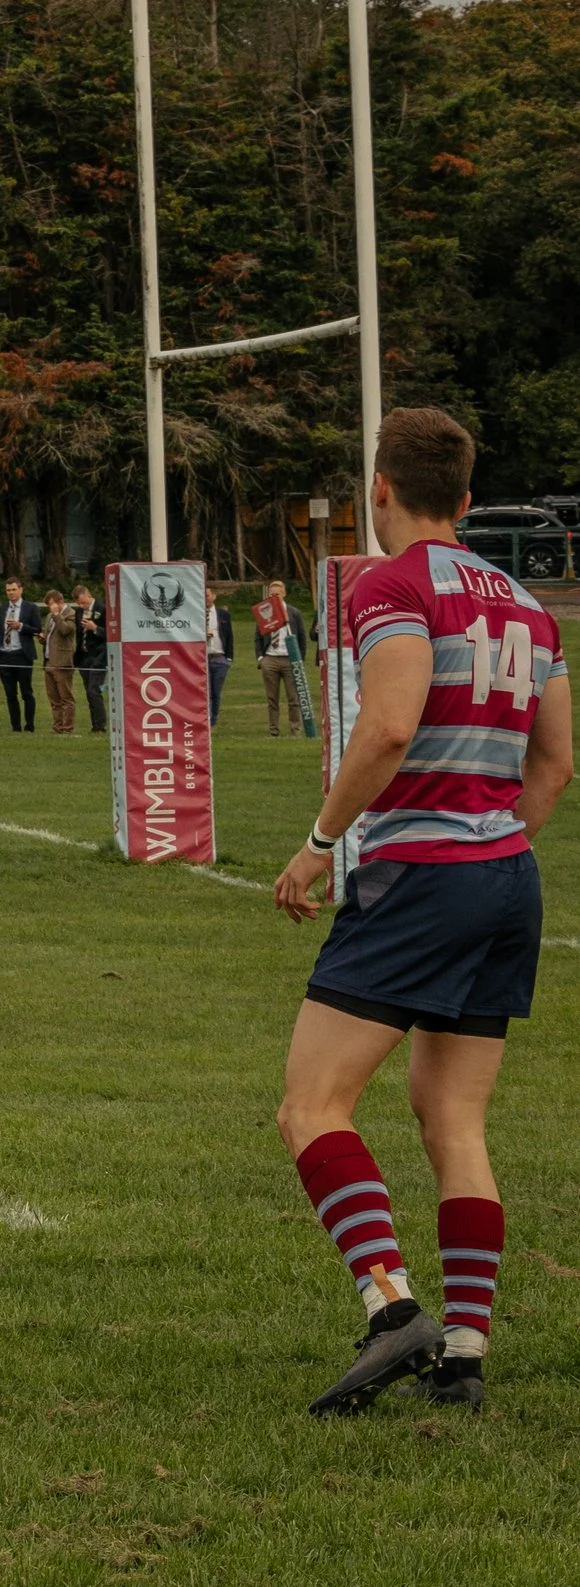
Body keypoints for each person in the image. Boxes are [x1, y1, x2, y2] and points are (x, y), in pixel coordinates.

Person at [269, 406, 571, 1416]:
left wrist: (318, 846)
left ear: (381, 490)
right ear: (470, 501)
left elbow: (390, 723)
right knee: (453, 1115)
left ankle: (393, 1306)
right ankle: (465, 1358)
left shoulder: (390, 584)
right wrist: (492, 836)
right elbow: (556, 760)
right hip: (505, 878)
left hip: (420, 876)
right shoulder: (528, 604)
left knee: (311, 1103)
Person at [0, 577, 41, 731]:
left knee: (26, 692)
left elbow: (37, 629)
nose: (11, 593)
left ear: (21, 589)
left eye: (13, 589)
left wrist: (20, 626)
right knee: (10, 694)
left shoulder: (30, 608)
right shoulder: (1, 608)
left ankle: (30, 726)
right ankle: (16, 726)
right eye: (8, 590)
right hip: (4, 655)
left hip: (22, 655)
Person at [257, 579, 301, 736]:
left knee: (293, 698)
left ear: (284, 594)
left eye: (277, 594)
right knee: (272, 698)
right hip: (270, 658)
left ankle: (295, 729)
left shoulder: (293, 613)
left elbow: (301, 637)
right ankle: (273, 730)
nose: (274, 596)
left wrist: (299, 658)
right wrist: (261, 658)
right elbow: (258, 636)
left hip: (289, 658)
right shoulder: (264, 611)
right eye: (272, 594)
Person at [40, 589, 79, 735]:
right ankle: (57, 726)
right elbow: (51, 635)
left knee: (65, 697)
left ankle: (67, 727)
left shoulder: (71, 614)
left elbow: (65, 630)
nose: (50, 608)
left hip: (63, 661)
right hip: (49, 660)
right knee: (53, 698)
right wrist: (43, 638)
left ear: (60, 602)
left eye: (52, 605)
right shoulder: (49, 616)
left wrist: (57, 615)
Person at [72, 583, 108, 733]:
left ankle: (100, 725)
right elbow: (79, 636)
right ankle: (94, 724)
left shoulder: (103, 609)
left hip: (99, 655)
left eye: (84, 602)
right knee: (88, 691)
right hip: (84, 656)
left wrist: (95, 628)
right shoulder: (79, 613)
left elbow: (112, 633)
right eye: (79, 604)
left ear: (89, 595)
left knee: (94, 689)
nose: (82, 606)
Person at [204, 583, 234, 725]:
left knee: (216, 692)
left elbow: (229, 636)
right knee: (205, 692)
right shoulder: (196, 614)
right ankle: (204, 720)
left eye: (207, 595)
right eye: (203, 596)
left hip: (219, 658)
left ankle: (213, 721)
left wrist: (228, 658)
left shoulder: (223, 614)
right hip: (202, 658)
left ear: (214, 597)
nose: (205, 599)